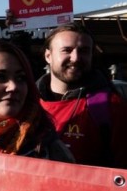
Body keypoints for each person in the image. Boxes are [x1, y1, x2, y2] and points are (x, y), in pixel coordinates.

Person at [37, 23, 127, 168]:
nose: (76, 58)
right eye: (67, 50)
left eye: (84, 51)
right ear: (48, 56)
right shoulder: (27, 101)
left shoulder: (111, 107)